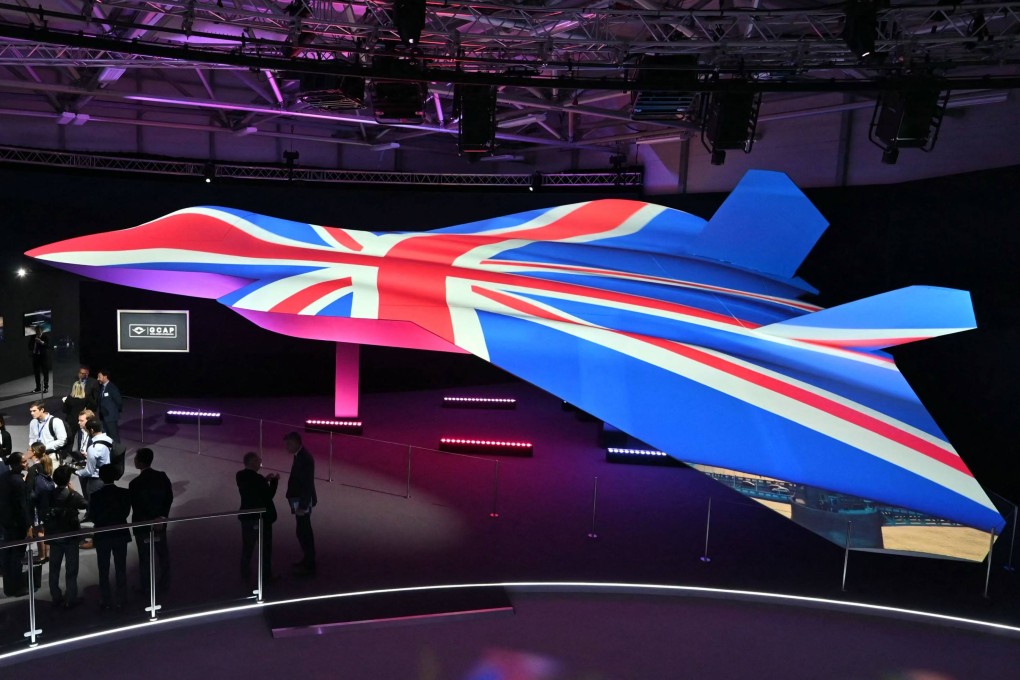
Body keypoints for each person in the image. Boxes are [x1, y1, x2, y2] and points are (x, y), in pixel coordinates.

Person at [129, 447, 173, 592]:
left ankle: (146, 587)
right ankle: (165, 583)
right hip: (159, 524)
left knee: (144, 557)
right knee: (162, 554)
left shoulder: (134, 483)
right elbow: (168, 498)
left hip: (143, 526)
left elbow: (137, 506)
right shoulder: (162, 476)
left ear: (140, 462)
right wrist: (161, 517)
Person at [90, 464, 131, 610]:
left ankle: (105, 599)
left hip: (103, 535)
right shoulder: (125, 493)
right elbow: (126, 513)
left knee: (103, 568)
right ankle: (122, 597)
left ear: (100, 476)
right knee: (121, 566)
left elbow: (93, 517)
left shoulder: (95, 496)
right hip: (120, 533)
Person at [45, 465, 87, 609]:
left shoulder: (49, 493)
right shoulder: (72, 495)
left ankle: (55, 596)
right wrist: (73, 490)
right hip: (70, 536)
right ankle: (71, 597)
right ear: (68, 480)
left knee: (54, 568)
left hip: (55, 535)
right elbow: (85, 504)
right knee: (72, 568)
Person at [236, 452, 278, 580]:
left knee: (247, 548)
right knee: (265, 549)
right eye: (258, 461)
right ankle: (266, 576)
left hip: (246, 516)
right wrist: (274, 482)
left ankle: (245, 574)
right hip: (261, 518)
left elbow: (252, 487)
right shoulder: (258, 479)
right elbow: (268, 495)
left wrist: (264, 480)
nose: (260, 464)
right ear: (252, 462)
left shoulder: (239, 475)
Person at [284, 432, 316, 576]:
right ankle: (308, 558)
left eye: (289, 444)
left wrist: (302, 506)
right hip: (299, 499)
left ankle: (310, 561)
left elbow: (307, 484)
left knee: (304, 531)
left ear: (297, 442)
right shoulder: (300, 455)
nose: (287, 447)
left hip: (302, 501)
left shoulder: (305, 458)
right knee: (302, 530)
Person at [0, 453, 30, 596]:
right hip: (17, 524)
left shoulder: (4, 476)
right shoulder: (18, 482)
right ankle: (17, 588)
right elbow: (22, 507)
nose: (26, 463)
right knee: (17, 555)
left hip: (5, 521)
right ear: (17, 464)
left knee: (8, 553)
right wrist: (28, 526)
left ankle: (8, 587)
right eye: (24, 462)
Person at [28, 400, 67, 465]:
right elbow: (32, 438)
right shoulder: (33, 422)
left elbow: (63, 440)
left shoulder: (56, 421)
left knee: (52, 474)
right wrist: (32, 450)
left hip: (51, 456)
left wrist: (43, 447)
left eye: (34, 411)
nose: (32, 413)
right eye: (31, 411)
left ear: (42, 410)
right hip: (37, 456)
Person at [96, 369, 123, 444]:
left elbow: (119, 402)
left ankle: (118, 454)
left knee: (114, 437)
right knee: (107, 437)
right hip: (104, 417)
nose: (98, 379)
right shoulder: (102, 387)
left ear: (105, 377)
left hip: (111, 417)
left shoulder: (112, 387)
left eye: (99, 376)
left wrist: (114, 412)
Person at [28, 325, 51, 393]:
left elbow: (48, 346)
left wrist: (41, 342)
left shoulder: (45, 337)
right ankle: (38, 387)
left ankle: (46, 387)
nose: (37, 332)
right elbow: (29, 345)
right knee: (36, 373)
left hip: (43, 357)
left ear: (41, 331)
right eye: (36, 331)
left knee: (45, 372)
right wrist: (32, 346)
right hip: (35, 357)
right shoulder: (33, 337)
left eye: (38, 331)